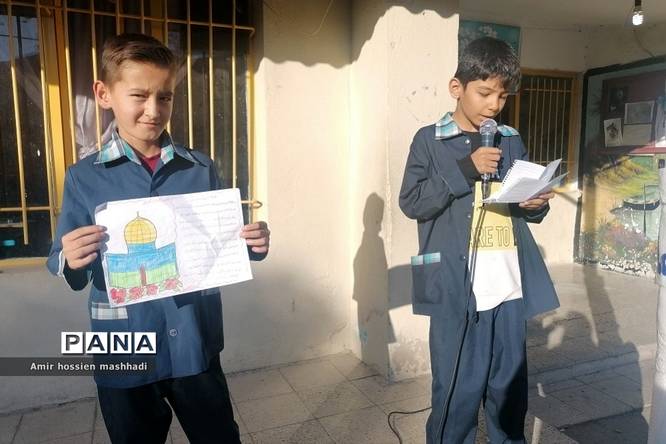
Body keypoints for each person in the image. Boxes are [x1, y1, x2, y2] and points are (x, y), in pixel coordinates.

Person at [46, 33, 270, 444]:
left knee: (219, 436)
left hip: (193, 340)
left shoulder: (199, 167)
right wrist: (70, 258)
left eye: (164, 97)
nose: (153, 110)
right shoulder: (83, 177)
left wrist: (252, 243)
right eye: (139, 95)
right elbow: (60, 256)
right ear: (104, 94)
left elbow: (222, 241)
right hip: (125, 348)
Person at [399, 37, 559, 443]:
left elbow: (523, 206)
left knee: (509, 393)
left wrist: (534, 204)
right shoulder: (429, 140)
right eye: (485, 93)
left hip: (508, 286)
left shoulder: (510, 139)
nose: (494, 105)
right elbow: (412, 202)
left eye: (502, 96)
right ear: (457, 87)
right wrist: (465, 169)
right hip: (456, 289)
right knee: (457, 393)